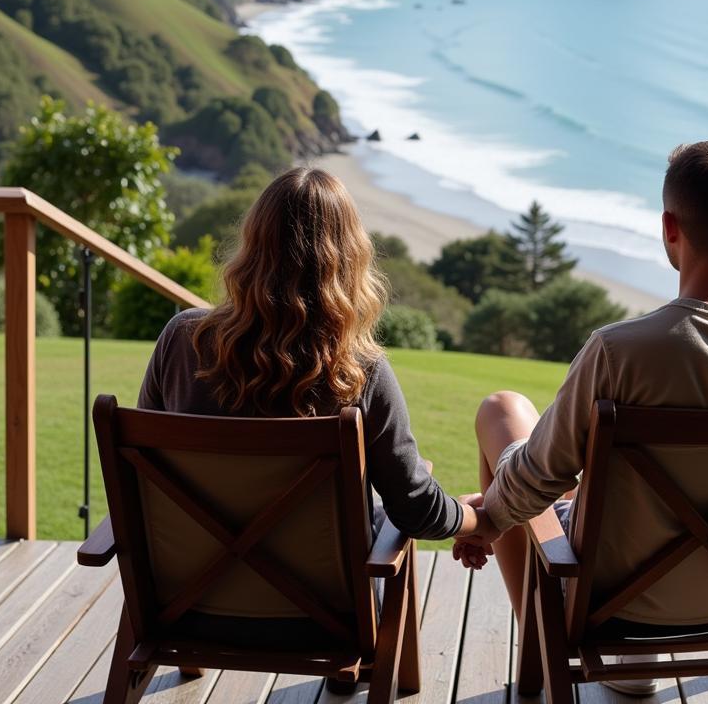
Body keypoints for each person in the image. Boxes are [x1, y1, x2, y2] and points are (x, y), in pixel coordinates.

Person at [456, 141, 708, 695]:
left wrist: (489, 521)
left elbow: (536, 478)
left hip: (614, 605)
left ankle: (548, 647)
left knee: (501, 411)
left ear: (670, 227)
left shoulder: (619, 352)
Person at [138, 166, 490, 544]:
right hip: (324, 602)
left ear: (252, 245)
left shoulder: (182, 340)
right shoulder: (361, 371)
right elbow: (416, 510)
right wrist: (476, 520)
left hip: (189, 593)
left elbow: (142, 476)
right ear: (349, 260)